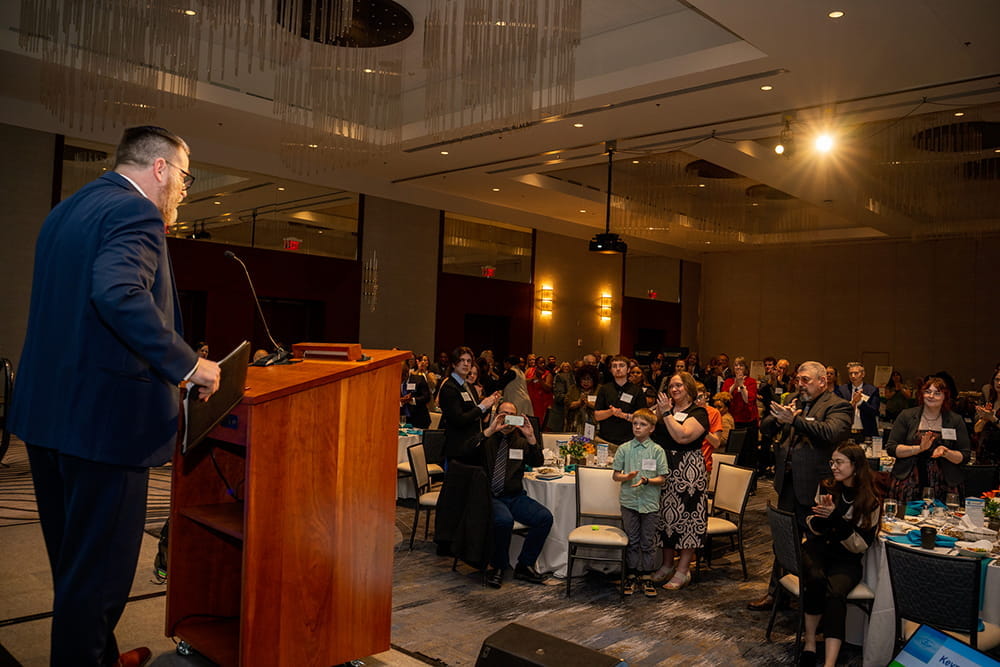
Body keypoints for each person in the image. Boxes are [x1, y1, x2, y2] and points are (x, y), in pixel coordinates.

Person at [8, 126, 222, 667]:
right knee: (99, 580)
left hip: (49, 419)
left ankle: (97, 657)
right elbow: (118, 292)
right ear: (159, 169)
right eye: (183, 177)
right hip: (106, 429)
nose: (182, 191)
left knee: (75, 567)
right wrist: (189, 364)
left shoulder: (66, 212)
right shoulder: (137, 214)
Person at [748, 361, 852, 611]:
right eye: (798, 379)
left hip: (817, 486)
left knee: (815, 543)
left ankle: (809, 596)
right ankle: (776, 593)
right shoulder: (792, 399)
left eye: (806, 380)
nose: (800, 384)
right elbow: (764, 427)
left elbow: (830, 433)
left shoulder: (838, 405)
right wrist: (776, 417)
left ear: (822, 381)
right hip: (788, 482)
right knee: (784, 539)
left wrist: (794, 420)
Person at [451, 402, 551, 589]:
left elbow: (537, 462)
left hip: (515, 497)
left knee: (544, 517)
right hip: (491, 497)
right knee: (503, 521)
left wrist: (531, 437)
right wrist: (489, 430)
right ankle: (498, 567)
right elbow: (463, 452)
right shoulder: (487, 439)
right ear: (497, 416)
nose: (508, 419)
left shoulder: (520, 441)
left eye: (512, 415)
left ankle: (524, 565)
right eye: (504, 414)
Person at [800, 443, 881, 667]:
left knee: (836, 593)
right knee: (815, 580)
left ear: (855, 466)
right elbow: (811, 524)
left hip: (847, 558)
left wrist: (836, 518)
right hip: (818, 549)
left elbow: (860, 545)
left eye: (839, 462)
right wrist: (821, 519)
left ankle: (830, 662)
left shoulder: (870, 501)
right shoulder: (826, 487)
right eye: (832, 462)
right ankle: (809, 643)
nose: (833, 467)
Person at [649, 372, 708, 591]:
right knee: (666, 518)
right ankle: (666, 565)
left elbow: (682, 436)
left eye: (679, 386)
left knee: (688, 520)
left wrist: (665, 413)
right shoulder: (666, 410)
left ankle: (683, 571)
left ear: (689, 388)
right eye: (671, 386)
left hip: (687, 472)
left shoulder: (698, 412)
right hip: (664, 467)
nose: (674, 390)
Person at [612, 408, 669, 598]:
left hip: (649, 503)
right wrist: (625, 476)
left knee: (648, 542)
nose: (637, 427)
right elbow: (615, 475)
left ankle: (646, 576)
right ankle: (632, 575)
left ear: (651, 428)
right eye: (635, 423)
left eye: (642, 424)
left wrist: (647, 480)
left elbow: (662, 478)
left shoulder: (657, 451)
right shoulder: (624, 449)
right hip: (629, 502)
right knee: (632, 540)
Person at [886, 377, 970, 502]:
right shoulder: (907, 416)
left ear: (945, 397)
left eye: (937, 393)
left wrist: (946, 452)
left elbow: (965, 455)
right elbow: (892, 448)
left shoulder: (955, 420)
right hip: (909, 480)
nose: (931, 396)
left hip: (945, 483)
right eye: (928, 392)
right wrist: (919, 448)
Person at [437, 346, 501, 460]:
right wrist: (482, 406)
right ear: (453, 364)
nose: (466, 364)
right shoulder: (449, 388)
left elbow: (476, 415)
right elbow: (459, 420)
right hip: (458, 447)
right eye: (462, 360)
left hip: (472, 444)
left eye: (469, 361)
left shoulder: (469, 387)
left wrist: (489, 403)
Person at [594, 355, 647, 445]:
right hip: (605, 440)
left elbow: (643, 417)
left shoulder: (637, 390)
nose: (618, 369)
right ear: (611, 370)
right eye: (614, 366)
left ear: (628, 370)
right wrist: (611, 412)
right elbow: (597, 416)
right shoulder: (604, 389)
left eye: (621, 366)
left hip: (629, 441)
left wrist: (623, 415)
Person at [722, 357, 760, 475]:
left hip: (749, 421)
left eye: (741, 365)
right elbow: (725, 397)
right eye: (736, 365)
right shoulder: (728, 381)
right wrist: (735, 384)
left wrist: (742, 385)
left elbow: (748, 399)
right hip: (734, 421)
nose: (738, 367)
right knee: (734, 453)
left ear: (746, 368)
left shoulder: (751, 381)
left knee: (749, 454)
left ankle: (750, 485)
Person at [835, 362, 880, 440]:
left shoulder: (871, 390)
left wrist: (860, 402)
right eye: (850, 374)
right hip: (847, 432)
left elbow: (874, 411)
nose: (853, 376)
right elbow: (838, 410)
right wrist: (852, 403)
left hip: (866, 433)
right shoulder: (842, 390)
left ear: (863, 374)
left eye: (856, 373)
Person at [974, 367, 1000, 464]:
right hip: (985, 451)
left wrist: (993, 419)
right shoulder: (989, 402)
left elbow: (993, 419)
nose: (999, 383)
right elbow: (976, 429)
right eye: (997, 380)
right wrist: (985, 418)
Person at [565, 366, 600, 434]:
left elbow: (602, 406)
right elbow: (568, 404)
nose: (586, 382)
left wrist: (589, 404)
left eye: (589, 379)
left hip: (594, 424)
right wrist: (579, 402)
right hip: (575, 424)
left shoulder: (600, 389)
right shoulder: (573, 388)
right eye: (583, 379)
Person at [400, 361, 432, 429]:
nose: (402, 377)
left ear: (408, 370)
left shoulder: (419, 379)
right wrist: (401, 401)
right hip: (403, 420)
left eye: (404, 374)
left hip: (419, 419)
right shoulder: (396, 381)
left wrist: (412, 400)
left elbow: (427, 397)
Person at [546, 361, 574, 432]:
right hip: (561, 411)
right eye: (564, 366)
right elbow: (558, 395)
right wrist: (572, 400)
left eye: (567, 366)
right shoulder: (559, 376)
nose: (566, 368)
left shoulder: (573, 376)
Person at [526, 355, 553, 425]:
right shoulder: (529, 371)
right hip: (530, 401)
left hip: (542, 402)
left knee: (539, 421)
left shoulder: (548, 374)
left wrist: (540, 379)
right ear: (536, 364)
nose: (543, 365)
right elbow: (523, 382)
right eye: (540, 363)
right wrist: (533, 378)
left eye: (544, 363)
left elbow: (548, 388)